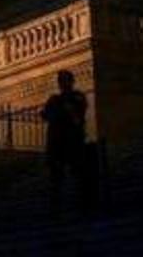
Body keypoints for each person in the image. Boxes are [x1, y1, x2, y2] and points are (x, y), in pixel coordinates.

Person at [42, 69, 92, 212]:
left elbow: (78, 114)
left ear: (70, 81)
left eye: (64, 80)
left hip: (71, 141)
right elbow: (46, 115)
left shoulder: (76, 97)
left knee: (77, 173)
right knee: (57, 177)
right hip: (57, 143)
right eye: (60, 81)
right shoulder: (55, 99)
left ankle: (81, 203)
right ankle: (57, 206)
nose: (62, 83)